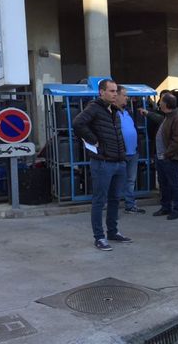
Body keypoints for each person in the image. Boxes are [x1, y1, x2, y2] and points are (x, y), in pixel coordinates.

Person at [73, 79, 132, 251]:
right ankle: (99, 237)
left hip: (119, 162)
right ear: (101, 92)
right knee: (99, 200)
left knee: (115, 199)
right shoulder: (94, 108)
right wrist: (93, 140)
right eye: (112, 91)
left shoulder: (114, 110)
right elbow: (77, 123)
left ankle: (113, 232)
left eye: (116, 91)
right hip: (103, 163)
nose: (115, 94)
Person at [151, 93, 178, 220]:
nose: (159, 103)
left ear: (165, 104)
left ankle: (177, 209)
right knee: (163, 183)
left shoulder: (177, 118)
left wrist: (167, 154)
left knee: (173, 184)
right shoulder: (167, 117)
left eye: (161, 101)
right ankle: (165, 207)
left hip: (170, 158)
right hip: (162, 157)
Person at [115, 86, 146, 215]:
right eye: (124, 95)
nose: (126, 97)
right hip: (120, 154)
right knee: (117, 181)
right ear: (116, 96)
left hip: (133, 152)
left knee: (130, 181)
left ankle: (130, 205)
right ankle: (114, 207)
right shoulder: (112, 113)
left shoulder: (128, 112)